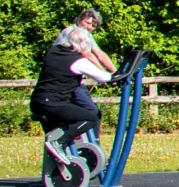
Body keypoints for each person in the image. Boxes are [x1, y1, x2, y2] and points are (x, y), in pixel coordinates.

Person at [30, 32, 115, 160]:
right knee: (91, 118)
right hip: (54, 103)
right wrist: (115, 75)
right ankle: (59, 143)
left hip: (37, 102)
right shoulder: (78, 61)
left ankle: (60, 154)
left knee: (63, 125)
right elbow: (104, 77)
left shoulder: (53, 51)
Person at [55, 8, 114, 114]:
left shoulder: (86, 34)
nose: (89, 27)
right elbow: (87, 54)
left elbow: (99, 54)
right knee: (93, 112)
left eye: (93, 26)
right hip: (65, 81)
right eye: (87, 23)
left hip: (76, 80)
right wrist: (103, 73)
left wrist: (115, 72)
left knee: (91, 113)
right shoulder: (72, 32)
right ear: (78, 20)